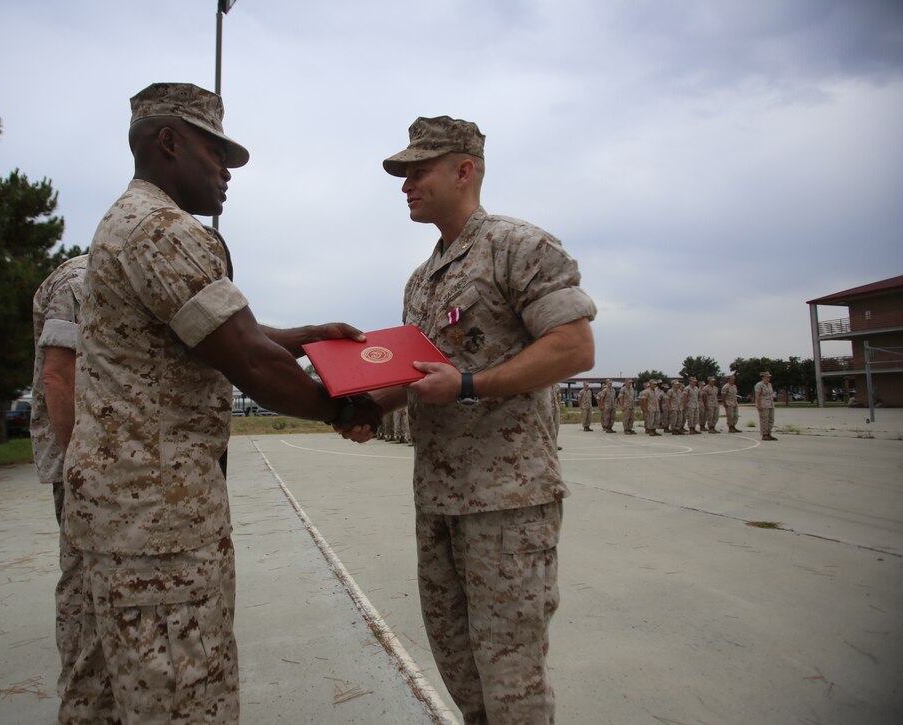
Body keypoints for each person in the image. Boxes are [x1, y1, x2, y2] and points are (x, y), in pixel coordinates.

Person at [60, 83, 382, 724]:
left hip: (113, 513)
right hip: (159, 526)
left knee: (99, 698)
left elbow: (211, 340)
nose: (228, 173)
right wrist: (347, 409)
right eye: (218, 154)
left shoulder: (122, 224)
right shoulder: (164, 231)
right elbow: (251, 362)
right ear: (170, 143)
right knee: (182, 698)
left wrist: (302, 338)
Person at [344, 115, 596, 724]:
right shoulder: (421, 281)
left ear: (465, 170)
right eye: (402, 173)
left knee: (510, 672)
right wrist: (373, 405)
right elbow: (420, 375)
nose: (405, 184)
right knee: (458, 662)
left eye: (417, 170)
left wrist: (467, 385)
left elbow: (573, 346)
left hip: (507, 501)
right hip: (439, 498)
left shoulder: (519, 247)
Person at [29, 253, 88, 698]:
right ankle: (83, 696)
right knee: (84, 582)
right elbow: (57, 375)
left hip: (107, 463)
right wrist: (80, 465)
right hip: (87, 467)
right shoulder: (80, 279)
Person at [755, 371, 777, 440]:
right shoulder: (759, 385)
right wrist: (759, 405)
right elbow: (757, 395)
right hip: (763, 404)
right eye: (767, 377)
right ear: (763, 377)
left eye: (769, 377)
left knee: (771, 419)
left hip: (770, 404)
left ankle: (769, 433)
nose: (768, 378)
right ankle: (764, 434)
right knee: (764, 420)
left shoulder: (770, 385)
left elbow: (771, 394)